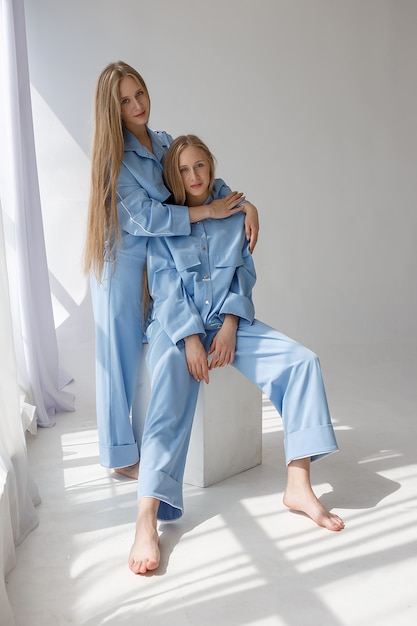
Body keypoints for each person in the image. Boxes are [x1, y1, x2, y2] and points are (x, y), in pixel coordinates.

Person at [128, 135, 344, 575]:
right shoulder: (169, 221)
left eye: (200, 166)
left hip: (229, 323)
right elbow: (166, 288)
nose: (194, 177)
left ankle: (298, 484)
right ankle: (145, 520)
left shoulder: (236, 213)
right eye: (184, 170)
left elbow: (244, 274)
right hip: (176, 328)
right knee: (168, 393)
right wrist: (190, 338)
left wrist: (228, 326)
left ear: (211, 166)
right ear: (174, 175)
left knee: (302, 361)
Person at [84, 62, 259, 479]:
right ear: (114, 109)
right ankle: (119, 456)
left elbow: (197, 178)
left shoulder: (163, 142)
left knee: (150, 346)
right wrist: (208, 213)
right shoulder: (116, 159)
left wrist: (243, 205)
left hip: (160, 260)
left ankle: (147, 438)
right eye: (125, 100)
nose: (137, 104)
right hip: (123, 261)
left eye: (139, 93)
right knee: (119, 355)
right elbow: (145, 218)